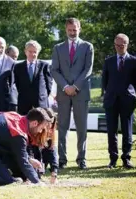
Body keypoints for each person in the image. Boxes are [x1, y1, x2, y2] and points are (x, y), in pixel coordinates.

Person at [51, 17, 94, 169]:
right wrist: (65, 87)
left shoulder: (88, 47)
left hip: (80, 93)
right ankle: (61, 160)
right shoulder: (57, 48)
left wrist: (75, 86)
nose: (72, 32)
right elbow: (54, 70)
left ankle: (81, 159)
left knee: (82, 128)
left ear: (79, 29)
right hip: (63, 93)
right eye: (69, 30)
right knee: (62, 127)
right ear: (65, 30)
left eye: (75, 30)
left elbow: (88, 69)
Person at [102, 34, 136, 169]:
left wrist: (131, 94)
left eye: (122, 45)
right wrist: (108, 94)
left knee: (127, 130)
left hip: (127, 100)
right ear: (114, 45)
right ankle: (113, 159)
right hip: (111, 100)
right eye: (117, 45)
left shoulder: (134, 61)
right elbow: (104, 82)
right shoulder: (109, 61)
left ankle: (126, 158)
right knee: (111, 131)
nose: (119, 47)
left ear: (127, 44)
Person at [13, 40, 52, 115]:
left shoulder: (44, 66)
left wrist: (42, 96)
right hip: (24, 103)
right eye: (30, 51)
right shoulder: (18, 67)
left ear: (38, 52)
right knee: (24, 124)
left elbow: (48, 85)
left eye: (35, 52)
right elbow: (17, 84)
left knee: (41, 125)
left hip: (41, 104)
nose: (32, 54)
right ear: (25, 51)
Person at [6, 45, 19, 111]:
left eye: (16, 57)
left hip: (13, 102)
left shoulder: (19, 68)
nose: (14, 59)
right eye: (12, 56)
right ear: (6, 54)